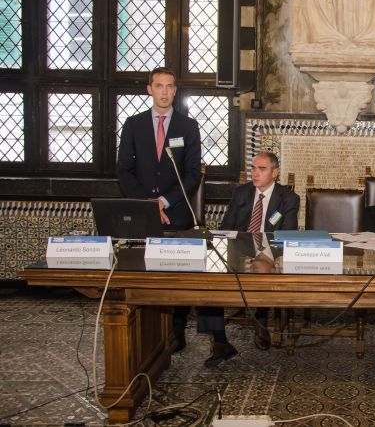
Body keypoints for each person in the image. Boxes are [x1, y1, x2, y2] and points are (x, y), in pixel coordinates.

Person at [117, 67, 201, 354]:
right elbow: (124, 170)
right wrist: (147, 204)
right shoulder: (133, 124)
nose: (164, 91)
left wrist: (163, 202)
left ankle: (177, 329)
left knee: (177, 277)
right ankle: (147, 333)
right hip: (141, 213)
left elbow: (192, 174)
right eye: (159, 86)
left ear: (175, 91)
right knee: (143, 274)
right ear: (149, 89)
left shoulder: (188, 127)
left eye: (169, 86)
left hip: (175, 212)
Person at [199, 152, 300, 368]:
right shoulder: (241, 193)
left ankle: (260, 319)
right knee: (209, 282)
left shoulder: (289, 198)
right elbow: (227, 227)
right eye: (253, 168)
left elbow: (287, 236)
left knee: (262, 269)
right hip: (239, 249)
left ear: (275, 173)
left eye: (262, 169)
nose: (255, 173)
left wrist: (265, 254)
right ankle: (220, 341)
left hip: (270, 251)